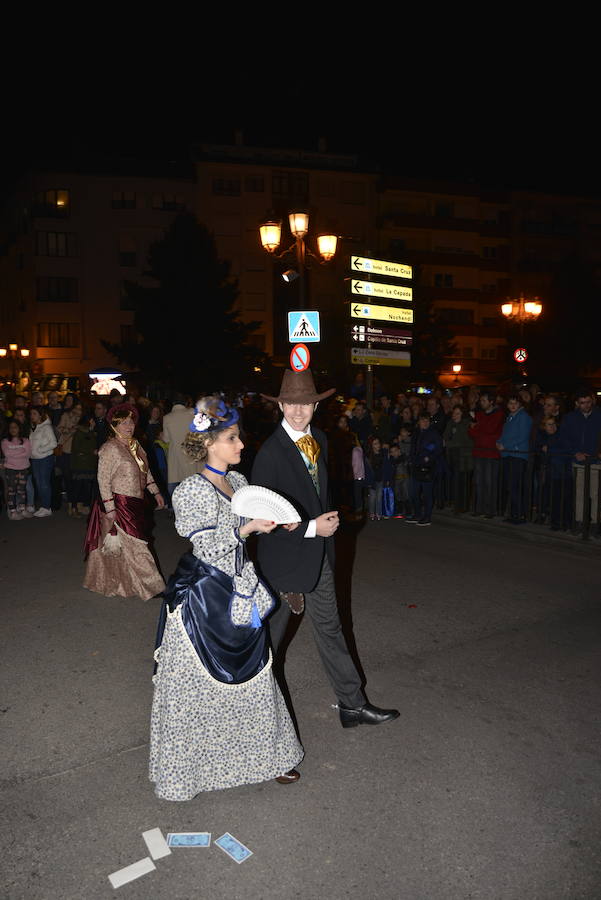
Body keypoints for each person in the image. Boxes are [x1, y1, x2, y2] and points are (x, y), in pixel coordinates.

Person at [149, 396, 303, 799]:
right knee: (197, 688)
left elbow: (250, 522)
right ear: (211, 443)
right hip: (205, 596)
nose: (240, 446)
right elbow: (204, 547)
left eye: (239, 439)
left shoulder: (237, 483)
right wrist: (246, 529)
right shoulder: (191, 491)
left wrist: (275, 524)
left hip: (241, 587)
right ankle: (188, 774)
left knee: (255, 673)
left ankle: (267, 758)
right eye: (233, 439)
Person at [251, 368, 399, 729]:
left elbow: (320, 494)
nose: (298, 411)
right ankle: (249, 713)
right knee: (268, 644)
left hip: (319, 558)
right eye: (291, 404)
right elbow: (262, 523)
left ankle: (352, 704)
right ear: (281, 405)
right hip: (285, 564)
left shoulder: (319, 439)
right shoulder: (269, 454)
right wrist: (310, 529)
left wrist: (330, 525)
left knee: (331, 630)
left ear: (315, 407)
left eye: (305, 404)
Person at [83, 403, 165, 600]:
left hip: (137, 502)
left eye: (131, 422)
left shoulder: (136, 445)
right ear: (114, 425)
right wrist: (110, 508)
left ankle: (122, 583)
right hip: (119, 503)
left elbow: (145, 472)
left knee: (125, 548)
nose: (129, 426)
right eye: (124, 423)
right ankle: (154, 586)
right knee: (138, 545)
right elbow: (103, 480)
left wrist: (156, 492)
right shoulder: (109, 448)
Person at [497, 395, 532, 524]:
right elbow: (504, 434)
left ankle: (520, 515)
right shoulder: (510, 417)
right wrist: (498, 442)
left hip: (517, 455)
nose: (512, 405)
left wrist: (505, 446)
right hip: (508, 454)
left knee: (515, 486)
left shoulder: (524, 417)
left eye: (515, 403)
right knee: (510, 486)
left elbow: (522, 436)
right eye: (510, 403)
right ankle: (513, 513)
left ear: (520, 405)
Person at [469, 392, 504, 518]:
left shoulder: (498, 414)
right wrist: (477, 427)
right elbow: (471, 432)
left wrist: (477, 426)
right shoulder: (479, 414)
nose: (481, 402)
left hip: (491, 453)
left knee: (490, 482)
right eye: (481, 400)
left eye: (484, 400)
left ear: (491, 402)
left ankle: (490, 510)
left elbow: (491, 429)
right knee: (479, 481)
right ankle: (479, 508)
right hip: (479, 451)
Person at [162, 394, 202, 498]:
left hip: (176, 456)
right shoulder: (193, 413)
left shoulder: (167, 418)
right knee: (195, 486)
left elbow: (166, 439)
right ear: (185, 402)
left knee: (176, 486)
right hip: (193, 454)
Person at [407, 412, 443, 526]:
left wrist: (429, 457)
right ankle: (417, 514)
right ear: (419, 422)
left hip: (428, 467)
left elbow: (438, 448)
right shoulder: (416, 433)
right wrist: (411, 459)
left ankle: (427, 517)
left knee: (427, 493)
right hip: (416, 466)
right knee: (414, 492)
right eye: (423, 420)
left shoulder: (433, 433)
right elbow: (413, 448)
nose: (425, 423)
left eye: (427, 420)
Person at [29, 406, 57, 517]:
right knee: (39, 483)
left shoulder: (46, 427)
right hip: (35, 459)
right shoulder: (34, 427)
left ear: (40, 415)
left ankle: (47, 507)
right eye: (31, 414)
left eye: (34, 413)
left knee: (44, 483)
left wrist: (40, 450)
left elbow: (53, 443)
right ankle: (44, 506)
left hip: (45, 459)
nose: (32, 416)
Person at [1, 420, 32, 519]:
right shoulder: (5, 441)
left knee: (22, 490)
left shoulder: (26, 440)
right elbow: (7, 454)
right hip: (11, 469)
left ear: (19, 428)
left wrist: (14, 453)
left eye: (15, 427)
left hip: (23, 468)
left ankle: (22, 509)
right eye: (11, 427)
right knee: (11, 490)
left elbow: (27, 453)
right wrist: (21, 451)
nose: (13, 429)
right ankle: (12, 511)